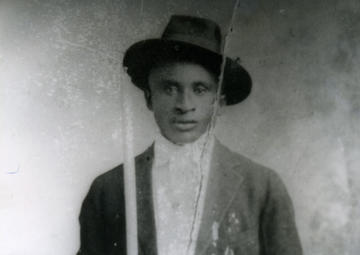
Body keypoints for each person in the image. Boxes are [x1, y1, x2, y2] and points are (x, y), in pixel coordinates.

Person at [77, 15, 302, 255]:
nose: (184, 105)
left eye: (200, 89)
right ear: (149, 98)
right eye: (170, 88)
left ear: (219, 102)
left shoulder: (262, 187)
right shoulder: (108, 189)